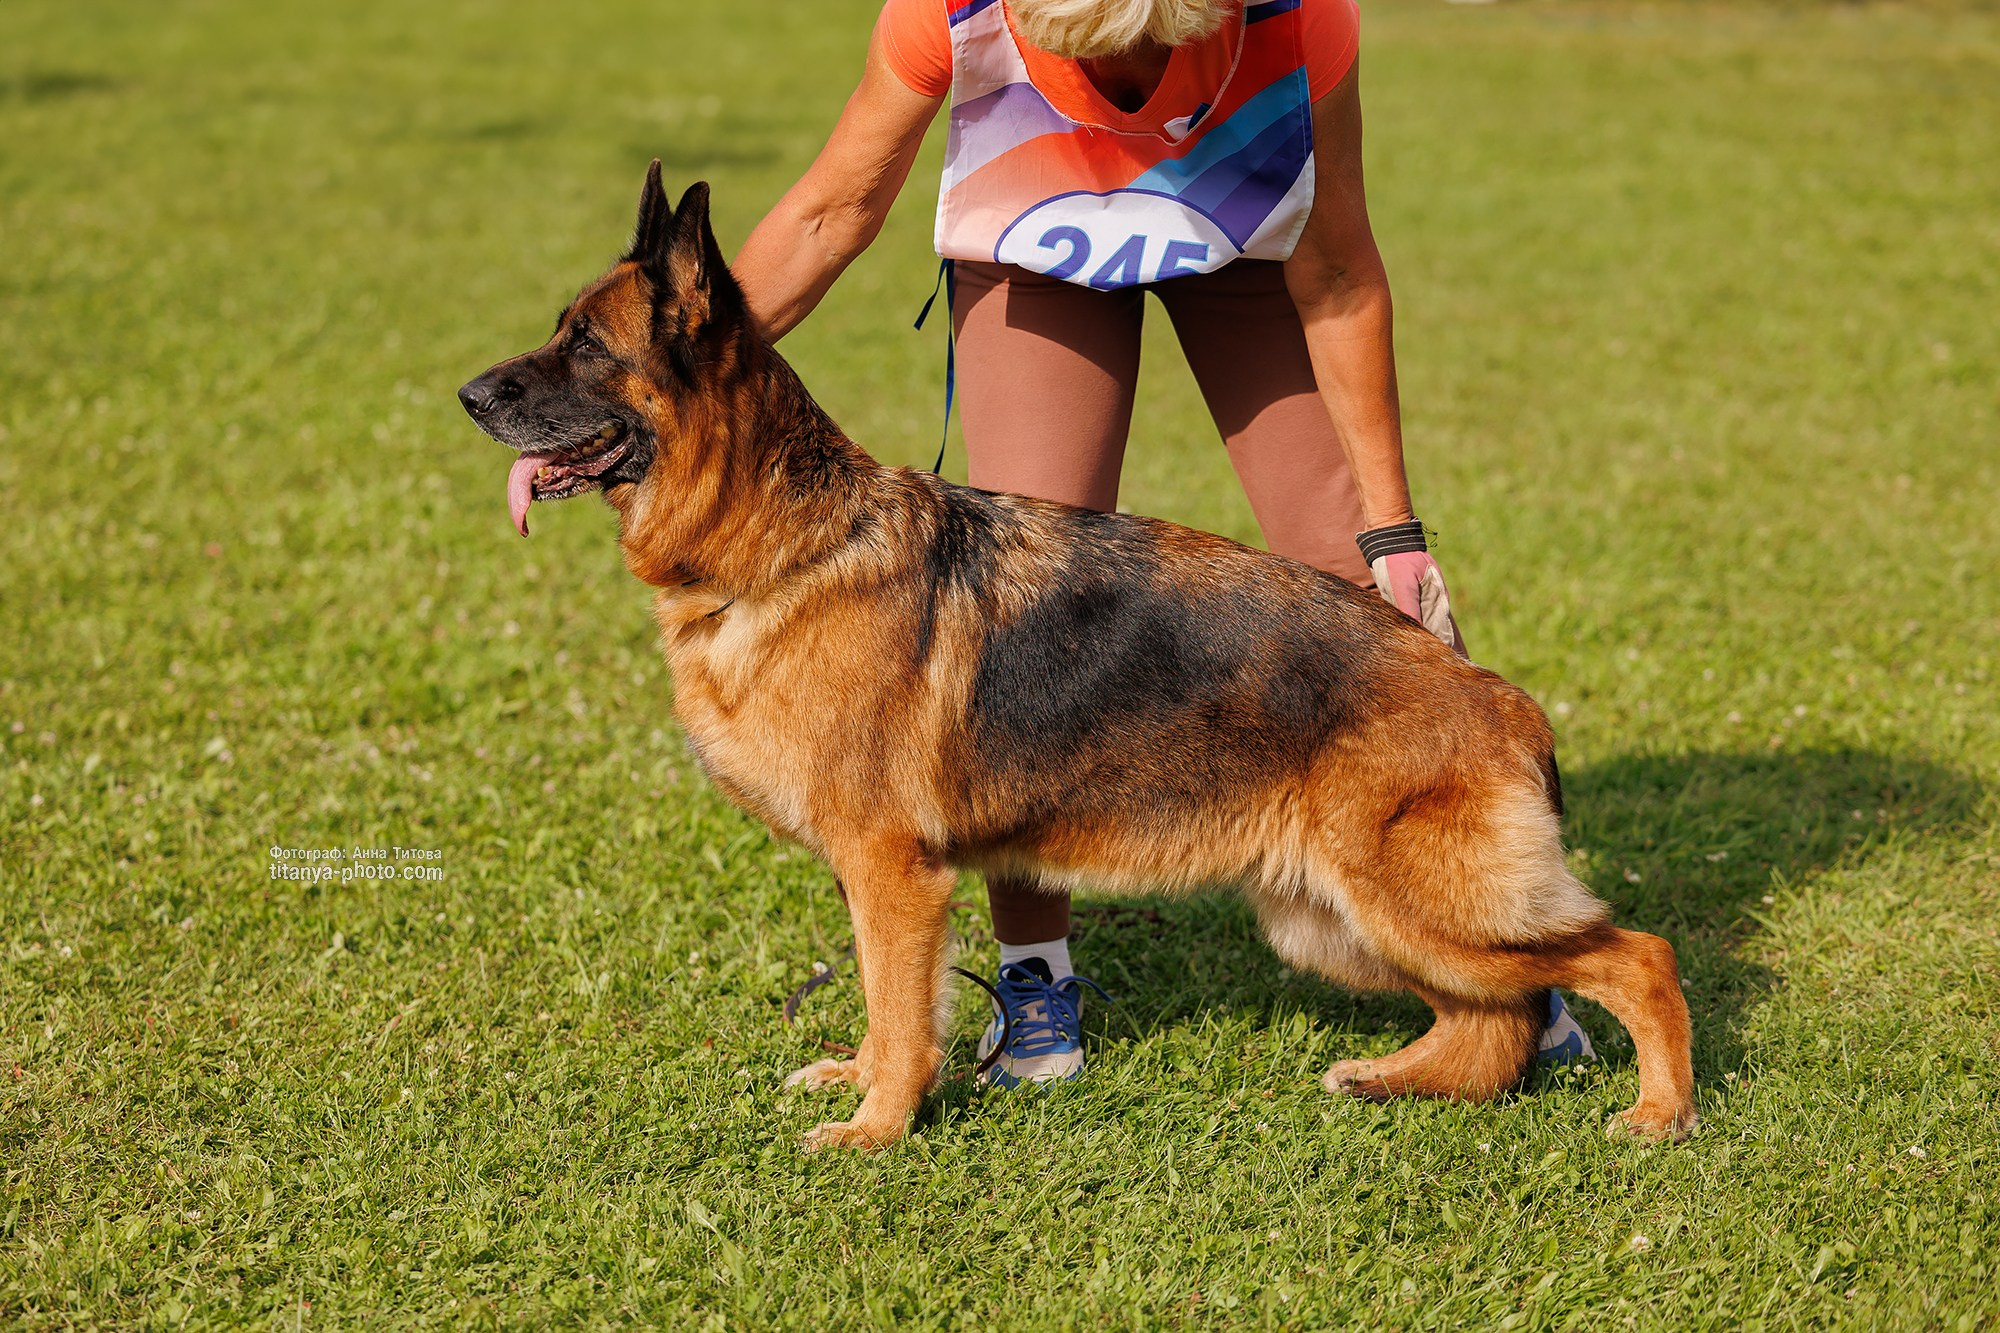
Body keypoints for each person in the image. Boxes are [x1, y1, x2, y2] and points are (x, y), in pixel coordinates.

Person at [732, 0, 1591, 1086]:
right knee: (1015, 621)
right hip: (1033, 241)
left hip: (1251, 243)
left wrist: (1391, 531)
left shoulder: (1299, 18)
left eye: (1150, 47)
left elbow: (1336, 270)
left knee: (1350, 586)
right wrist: (679, 370)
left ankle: (1503, 959)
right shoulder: (946, 11)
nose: (1124, 69)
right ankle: (1036, 978)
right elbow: (825, 213)